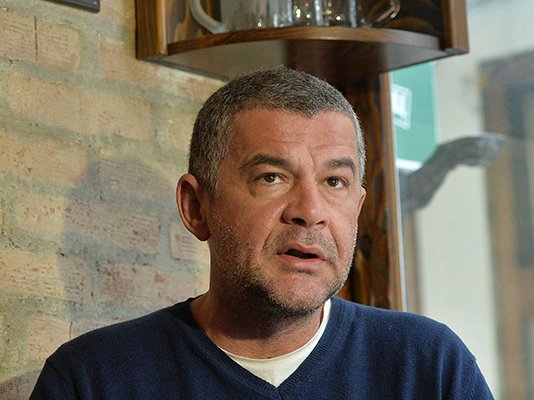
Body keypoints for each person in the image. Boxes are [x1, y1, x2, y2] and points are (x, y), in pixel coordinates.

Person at [30, 67, 494, 399]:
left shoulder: (428, 367)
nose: (310, 212)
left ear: (357, 208)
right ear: (196, 208)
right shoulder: (92, 379)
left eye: (334, 182)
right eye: (271, 177)